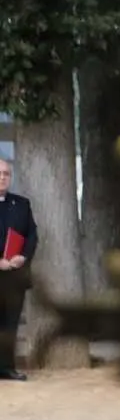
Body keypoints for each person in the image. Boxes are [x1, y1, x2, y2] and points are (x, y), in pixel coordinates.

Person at [0, 157, 36, 382]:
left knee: (10, 324)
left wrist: (23, 256)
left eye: (6, 174)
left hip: (14, 275)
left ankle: (7, 368)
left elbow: (32, 234)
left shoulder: (22, 204)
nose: (2, 177)